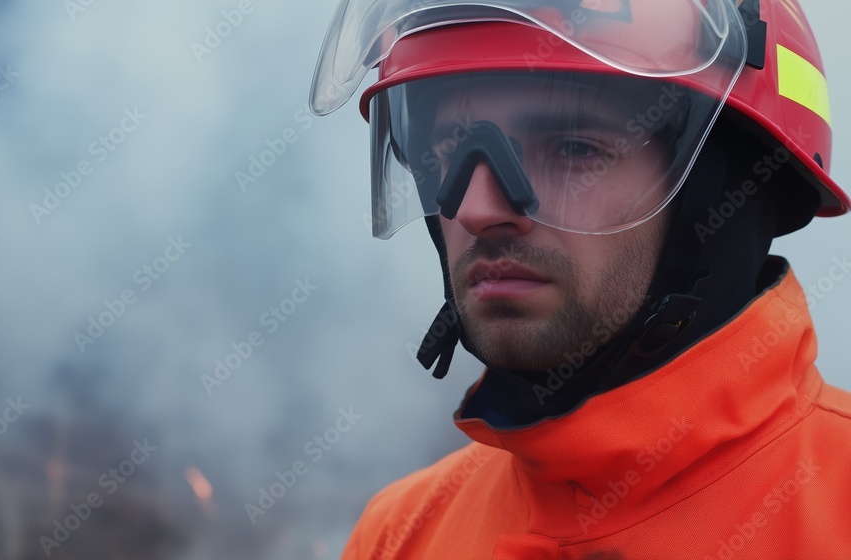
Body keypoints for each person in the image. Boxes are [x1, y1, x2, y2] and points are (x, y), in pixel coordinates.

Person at [309, 0, 851, 558]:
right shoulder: (399, 534)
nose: (475, 209)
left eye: (573, 148)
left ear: (723, 193)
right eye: (451, 150)